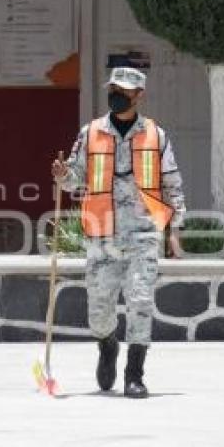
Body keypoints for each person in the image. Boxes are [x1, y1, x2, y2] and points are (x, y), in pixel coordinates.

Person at [52, 66, 186, 399]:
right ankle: (107, 346)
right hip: (102, 233)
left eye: (123, 91)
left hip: (143, 231)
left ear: (138, 95)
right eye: (113, 89)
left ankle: (134, 374)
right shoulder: (91, 132)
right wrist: (63, 174)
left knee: (140, 301)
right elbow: (75, 178)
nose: (116, 95)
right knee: (99, 307)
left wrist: (175, 229)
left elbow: (172, 182)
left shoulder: (156, 134)